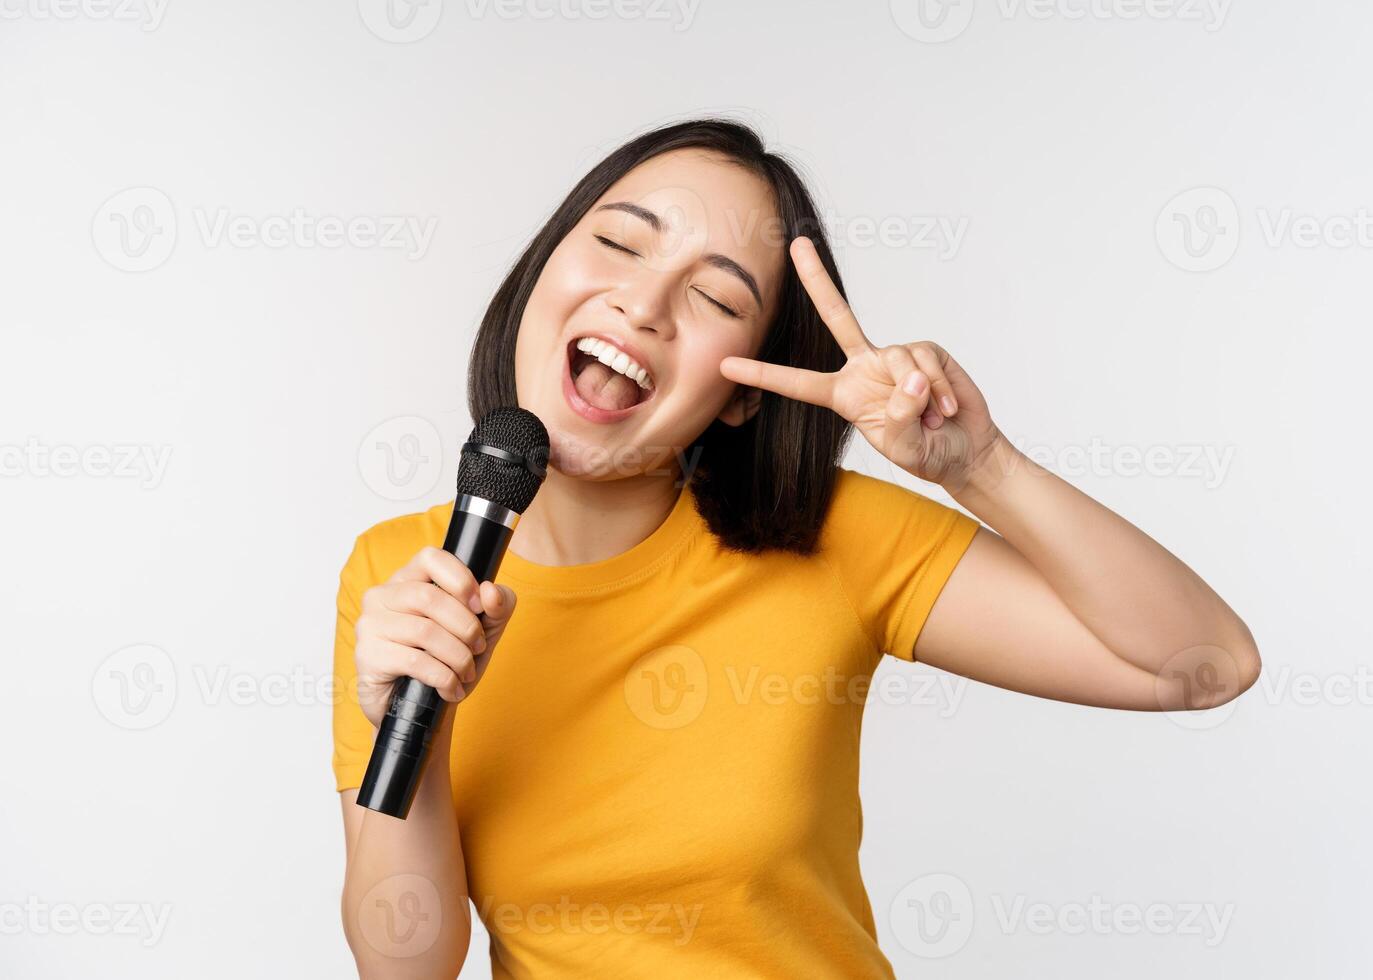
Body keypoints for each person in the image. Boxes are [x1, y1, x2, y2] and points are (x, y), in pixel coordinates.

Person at [331, 118, 1260, 979]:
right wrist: (419, 714)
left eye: (712, 296)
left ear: (743, 393)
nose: (647, 303)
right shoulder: (401, 577)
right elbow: (404, 967)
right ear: (544, 273)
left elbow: (1202, 666)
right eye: (618, 243)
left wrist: (980, 465)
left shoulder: (828, 536)